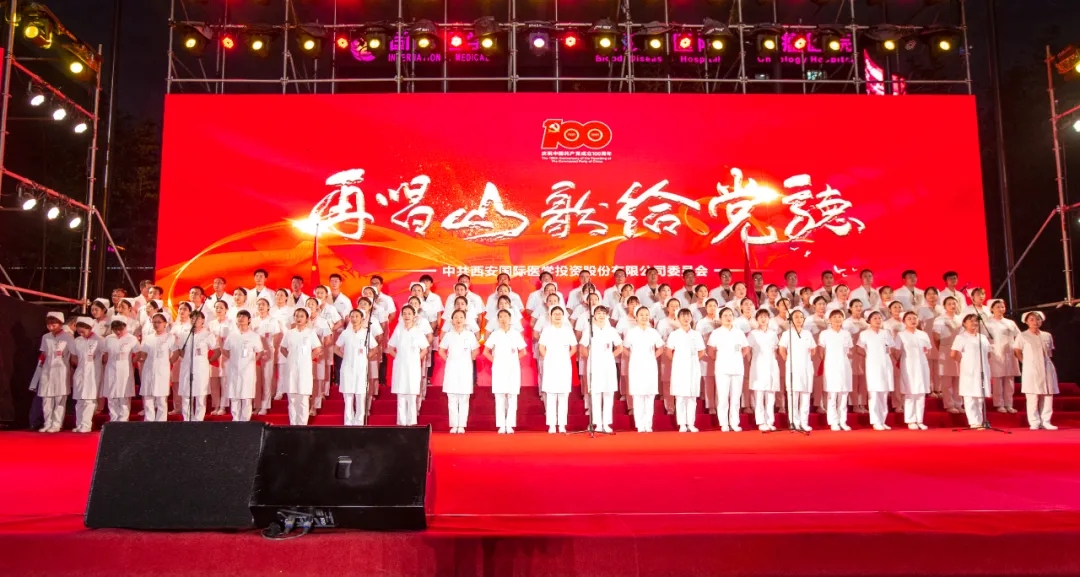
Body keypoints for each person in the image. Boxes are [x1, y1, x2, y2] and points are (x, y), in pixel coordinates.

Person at [579, 305, 623, 433]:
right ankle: (597, 423)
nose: (601, 315)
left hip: (608, 365)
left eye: (604, 313)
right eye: (598, 313)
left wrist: (609, 356)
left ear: (607, 315)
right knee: (595, 393)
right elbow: (582, 347)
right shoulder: (589, 330)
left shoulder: (612, 331)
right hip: (594, 365)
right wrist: (591, 357)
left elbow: (619, 347)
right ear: (594, 316)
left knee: (608, 393)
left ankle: (606, 423)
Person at [1013, 311, 1059, 430]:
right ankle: (1034, 422)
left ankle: (1046, 421)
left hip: (1047, 367)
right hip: (1031, 369)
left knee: (1047, 395)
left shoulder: (1047, 335)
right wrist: (1025, 363)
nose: (1035, 322)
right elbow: (1017, 351)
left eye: (1038, 319)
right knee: (1032, 396)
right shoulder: (1022, 336)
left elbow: (1049, 352)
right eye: (1032, 319)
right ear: (1026, 322)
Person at [707, 307, 749, 432]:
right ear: (720, 318)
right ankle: (724, 423)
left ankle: (734, 423)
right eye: (725, 315)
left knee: (736, 397)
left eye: (730, 315)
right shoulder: (716, 333)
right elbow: (710, 350)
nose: (728, 317)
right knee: (723, 397)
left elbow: (745, 348)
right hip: (722, 368)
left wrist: (738, 357)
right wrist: (720, 359)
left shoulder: (739, 332)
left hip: (737, 368)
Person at [485, 309, 527, 434]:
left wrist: (512, 359)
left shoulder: (516, 334)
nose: (503, 319)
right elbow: (486, 352)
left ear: (510, 319)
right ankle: (501, 425)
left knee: (512, 396)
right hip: (499, 368)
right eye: (501, 317)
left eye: (506, 316)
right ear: (498, 320)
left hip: (513, 368)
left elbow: (523, 351)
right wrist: (496, 361)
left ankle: (510, 425)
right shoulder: (495, 334)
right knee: (500, 396)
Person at [335, 309, 378, 426]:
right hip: (347, 368)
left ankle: (359, 423)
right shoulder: (345, 333)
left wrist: (366, 357)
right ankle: (348, 423)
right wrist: (346, 356)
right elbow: (336, 348)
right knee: (348, 397)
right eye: (352, 316)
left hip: (361, 368)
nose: (354, 319)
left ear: (362, 318)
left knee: (360, 396)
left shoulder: (366, 333)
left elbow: (375, 349)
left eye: (356, 316)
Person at [280, 308, 323, 426]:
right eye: (297, 316)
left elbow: (318, 349)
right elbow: (282, 348)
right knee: (292, 398)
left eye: (301, 316)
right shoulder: (289, 333)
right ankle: (293, 424)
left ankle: (302, 425)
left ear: (307, 319)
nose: (298, 318)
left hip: (305, 369)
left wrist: (308, 358)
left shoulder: (310, 333)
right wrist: (291, 358)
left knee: (303, 398)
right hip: (291, 368)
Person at [624, 306, 664, 433]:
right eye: (641, 315)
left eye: (646, 314)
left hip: (650, 365)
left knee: (650, 395)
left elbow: (661, 347)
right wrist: (634, 357)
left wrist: (652, 357)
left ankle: (648, 424)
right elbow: (624, 348)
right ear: (636, 317)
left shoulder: (653, 332)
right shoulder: (631, 332)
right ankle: (640, 424)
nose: (644, 317)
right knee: (638, 395)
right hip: (636, 366)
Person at [440, 309, 480, 434]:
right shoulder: (448, 335)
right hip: (451, 368)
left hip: (465, 368)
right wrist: (449, 360)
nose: (458, 320)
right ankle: (454, 425)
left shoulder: (470, 335)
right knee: (452, 397)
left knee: (464, 397)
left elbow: (476, 350)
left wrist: (469, 360)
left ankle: (461, 425)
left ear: (465, 320)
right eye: (456, 317)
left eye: (461, 317)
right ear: (452, 320)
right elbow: (441, 350)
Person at [857, 311, 900, 430]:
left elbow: (891, 348)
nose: (878, 320)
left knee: (884, 394)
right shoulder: (864, 334)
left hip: (886, 365)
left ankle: (882, 420)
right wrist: (870, 355)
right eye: (875, 318)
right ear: (869, 321)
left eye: (880, 318)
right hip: (873, 365)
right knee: (874, 394)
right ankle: (875, 421)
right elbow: (859, 349)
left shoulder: (886, 333)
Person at [386, 305, 428, 426]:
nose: (407, 316)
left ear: (414, 316)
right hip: (400, 366)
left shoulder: (418, 332)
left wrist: (415, 359)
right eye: (404, 313)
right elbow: (390, 348)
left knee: (412, 395)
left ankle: (411, 423)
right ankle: (401, 423)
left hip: (413, 367)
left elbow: (424, 349)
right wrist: (398, 357)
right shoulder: (398, 331)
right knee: (401, 395)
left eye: (409, 313)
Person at [170, 312, 216, 422]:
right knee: (186, 394)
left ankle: (198, 420)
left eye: (197, 318)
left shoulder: (208, 334)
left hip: (201, 368)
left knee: (200, 395)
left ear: (203, 320)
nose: (194, 320)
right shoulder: (184, 335)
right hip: (186, 366)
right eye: (192, 318)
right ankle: (187, 419)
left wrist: (207, 361)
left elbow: (217, 350)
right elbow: (180, 351)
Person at [538, 306, 577, 433]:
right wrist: (549, 358)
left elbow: (574, 348)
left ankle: (562, 425)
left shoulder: (568, 330)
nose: (557, 316)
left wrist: (565, 357)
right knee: (551, 395)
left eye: (560, 313)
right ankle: (551, 425)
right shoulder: (547, 330)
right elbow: (541, 347)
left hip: (564, 365)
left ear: (563, 315)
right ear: (550, 316)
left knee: (563, 395)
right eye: (555, 314)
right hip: (550, 364)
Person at [667, 308, 706, 433]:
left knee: (692, 397)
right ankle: (682, 424)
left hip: (693, 367)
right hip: (679, 368)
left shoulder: (696, 334)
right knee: (680, 397)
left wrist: (692, 360)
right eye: (683, 316)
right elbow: (669, 351)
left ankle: (691, 423)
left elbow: (701, 351)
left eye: (688, 316)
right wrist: (679, 361)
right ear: (678, 318)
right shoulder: (674, 334)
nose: (686, 318)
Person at [951, 314, 992, 429]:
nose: (974, 323)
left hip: (982, 369)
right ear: (964, 323)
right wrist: (964, 362)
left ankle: (980, 420)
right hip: (968, 370)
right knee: (970, 396)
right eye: (970, 321)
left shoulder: (982, 337)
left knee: (980, 397)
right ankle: (973, 421)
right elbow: (953, 354)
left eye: (975, 321)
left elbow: (989, 354)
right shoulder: (961, 337)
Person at [222, 310, 264, 422]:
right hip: (234, 369)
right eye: (239, 316)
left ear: (249, 320)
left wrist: (252, 362)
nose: (241, 319)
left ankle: (245, 420)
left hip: (248, 371)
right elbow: (225, 350)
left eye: (244, 317)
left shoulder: (254, 336)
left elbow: (260, 352)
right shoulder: (232, 335)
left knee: (246, 396)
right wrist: (233, 360)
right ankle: (235, 419)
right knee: (234, 395)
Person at [779, 310, 816, 431]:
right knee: (793, 396)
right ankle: (794, 422)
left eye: (801, 317)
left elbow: (813, 350)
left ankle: (804, 422)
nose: (799, 319)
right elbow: (782, 349)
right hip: (793, 368)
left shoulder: (808, 334)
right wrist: (788, 361)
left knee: (805, 395)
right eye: (796, 317)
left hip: (806, 367)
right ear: (791, 319)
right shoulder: (787, 334)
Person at [36, 312, 73, 433]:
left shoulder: (68, 337)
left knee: (59, 398)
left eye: (54, 324)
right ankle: (47, 423)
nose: (51, 326)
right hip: (47, 370)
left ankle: (57, 424)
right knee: (46, 398)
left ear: (60, 323)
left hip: (61, 370)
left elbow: (73, 354)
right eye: (49, 324)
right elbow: (44, 353)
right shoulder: (46, 337)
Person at [818, 310, 854, 431]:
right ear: (830, 320)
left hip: (845, 366)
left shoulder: (846, 334)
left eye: (840, 317)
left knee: (844, 395)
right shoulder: (825, 333)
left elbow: (850, 351)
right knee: (832, 395)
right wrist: (828, 362)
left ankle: (842, 421)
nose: (837, 319)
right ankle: (833, 421)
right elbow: (820, 351)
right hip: (831, 366)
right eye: (834, 317)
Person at [896, 311, 932, 430]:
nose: (912, 320)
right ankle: (911, 420)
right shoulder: (901, 335)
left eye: (914, 318)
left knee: (921, 393)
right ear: (904, 321)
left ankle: (920, 420)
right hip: (908, 365)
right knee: (910, 392)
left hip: (922, 365)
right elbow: (896, 352)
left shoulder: (923, 334)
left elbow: (928, 350)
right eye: (909, 319)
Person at [985, 299, 1021, 414]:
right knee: (998, 380)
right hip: (996, 353)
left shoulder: (1010, 323)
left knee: (1009, 380)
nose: (1001, 309)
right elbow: (984, 339)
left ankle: (1009, 404)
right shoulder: (987, 324)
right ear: (992, 309)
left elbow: (1018, 336)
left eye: (1002, 307)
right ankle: (999, 404)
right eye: (998, 307)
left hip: (1010, 353)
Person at [747, 309, 780, 432]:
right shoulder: (753, 334)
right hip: (758, 365)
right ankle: (761, 421)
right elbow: (748, 351)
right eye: (760, 317)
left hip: (771, 365)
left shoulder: (773, 334)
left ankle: (770, 421)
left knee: (771, 395)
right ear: (756, 319)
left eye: (765, 316)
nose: (763, 319)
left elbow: (775, 350)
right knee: (759, 395)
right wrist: (751, 363)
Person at [136, 314, 172, 422]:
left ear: (165, 324)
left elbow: (175, 353)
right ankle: (149, 421)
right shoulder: (148, 338)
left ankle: (161, 422)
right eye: (154, 322)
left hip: (162, 370)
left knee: (161, 399)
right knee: (148, 397)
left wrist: (167, 363)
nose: (156, 324)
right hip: (148, 369)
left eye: (159, 322)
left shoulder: (170, 337)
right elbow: (143, 354)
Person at [102, 319, 139, 422]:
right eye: (115, 329)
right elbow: (105, 354)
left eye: (120, 329)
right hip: (111, 369)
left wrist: (131, 363)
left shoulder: (132, 339)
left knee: (124, 395)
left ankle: (123, 419)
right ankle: (113, 419)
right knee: (111, 395)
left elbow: (138, 353)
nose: (118, 332)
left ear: (125, 327)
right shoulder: (109, 339)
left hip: (125, 369)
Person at [933, 297, 964, 414]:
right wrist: (942, 349)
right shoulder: (939, 319)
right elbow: (936, 337)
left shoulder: (960, 318)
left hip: (959, 350)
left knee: (958, 378)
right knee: (947, 380)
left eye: (954, 303)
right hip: (946, 349)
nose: (952, 306)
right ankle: (949, 404)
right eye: (949, 304)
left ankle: (958, 403)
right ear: (944, 306)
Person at [252, 298, 281, 416]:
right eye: (258, 304)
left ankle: (265, 405)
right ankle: (257, 405)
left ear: (268, 307)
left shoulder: (273, 321)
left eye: (263, 304)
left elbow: (277, 336)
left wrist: (272, 349)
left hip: (268, 352)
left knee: (266, 379)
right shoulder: (253, 321)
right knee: (256, 380)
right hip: (255, 353)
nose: (260, 306)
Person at [842, 301, 869, 414]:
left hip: (864, 353)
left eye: (860, 306)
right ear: (850, 308)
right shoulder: (846, 322)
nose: (858, 308)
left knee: (863, 380)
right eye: (856, 306)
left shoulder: (865, 321)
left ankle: (862, 403)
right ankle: (854, 404)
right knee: (853, 379)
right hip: (852, 353)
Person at [207, 301, 232, 416]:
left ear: (226, 309)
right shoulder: (211, 324)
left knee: (224, 381)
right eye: (216, 307)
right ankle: (216, 406)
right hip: (213, 353)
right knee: (214, 382)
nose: (218, 309)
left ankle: (223, 406)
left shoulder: (230, 323)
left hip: (225, 354)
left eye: (221, 307)